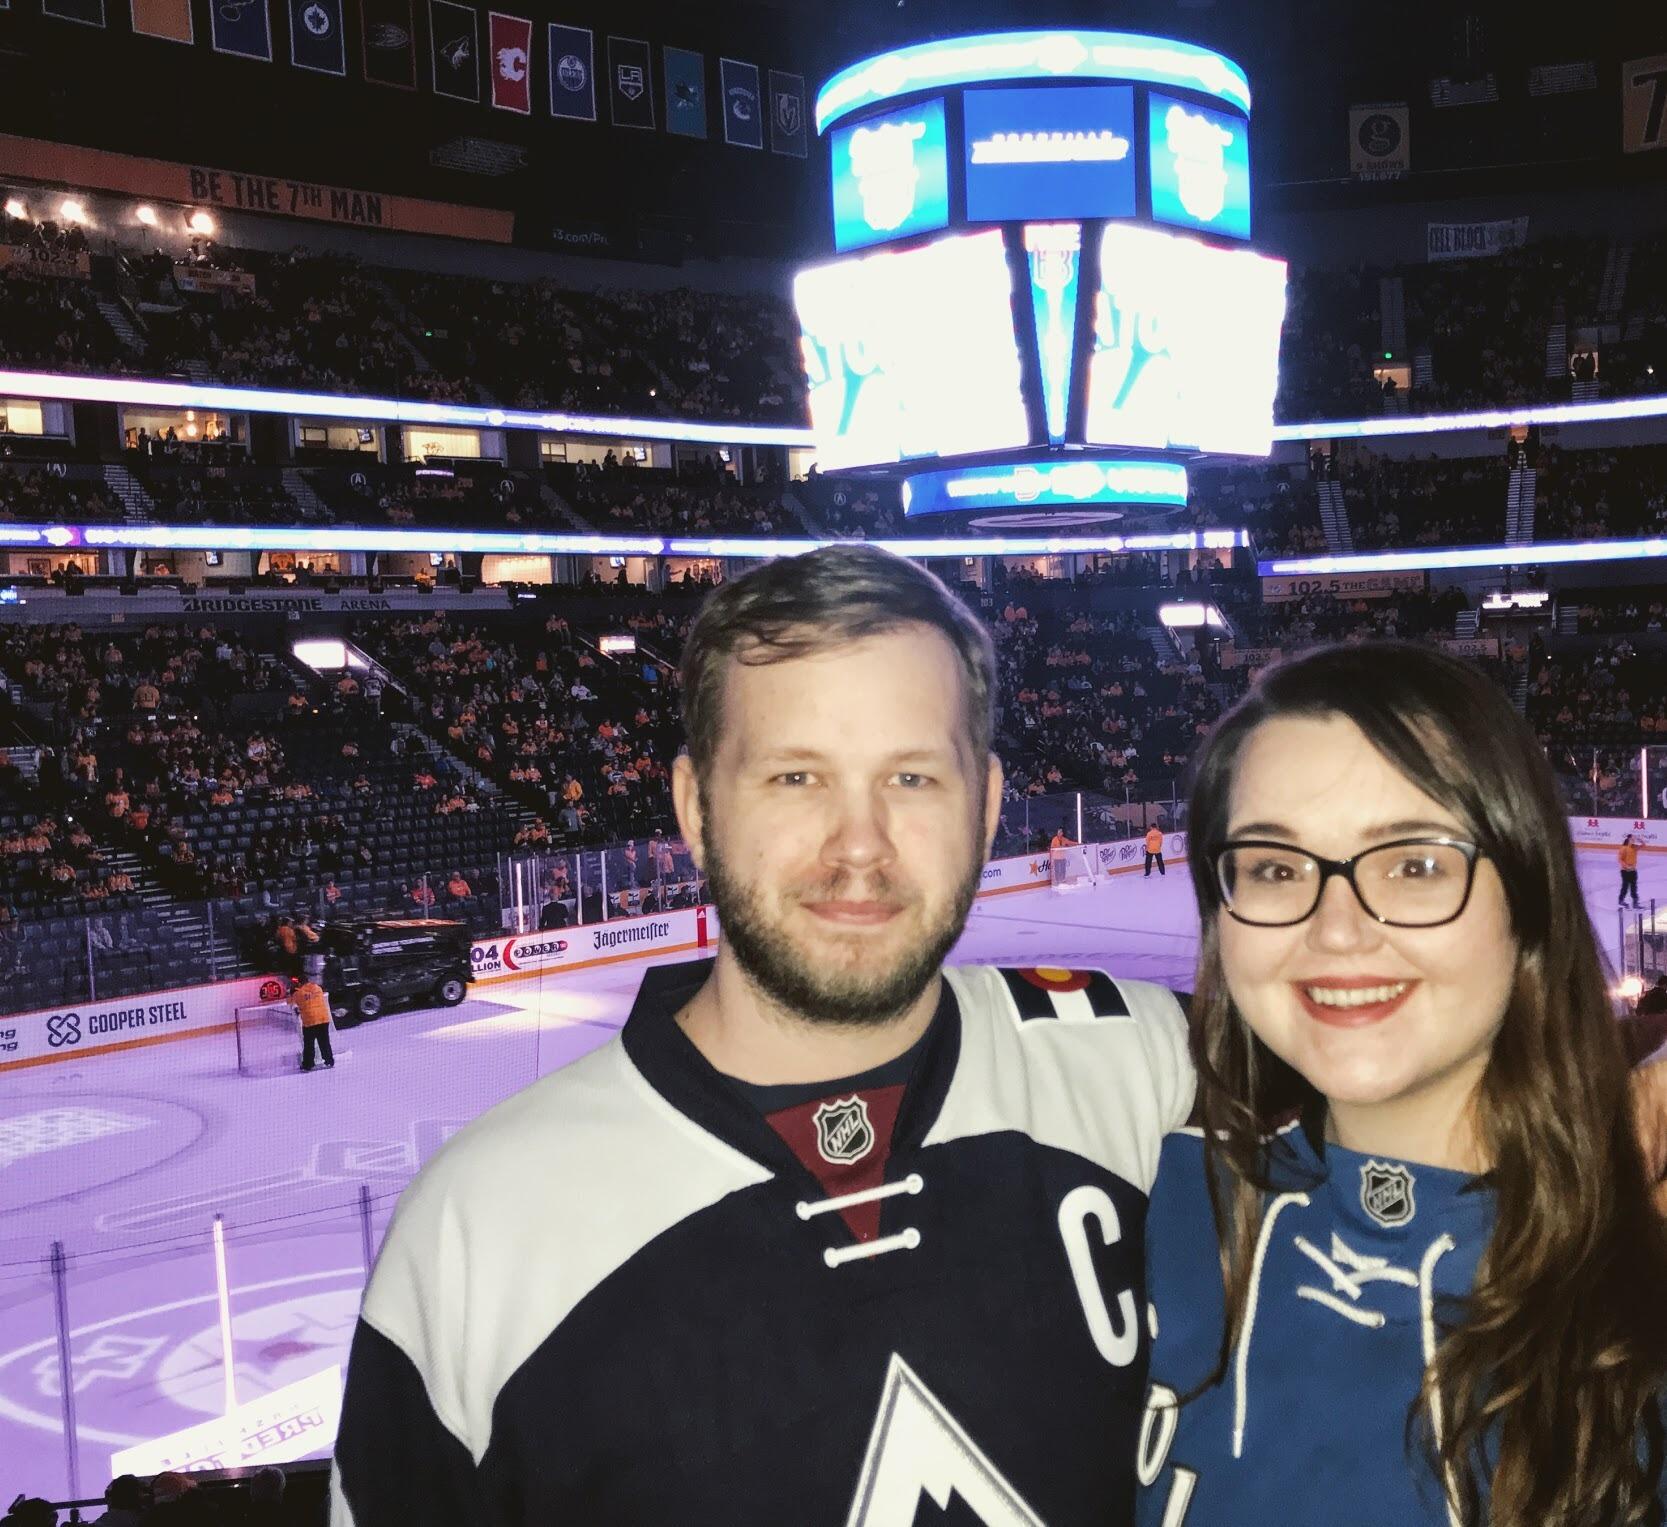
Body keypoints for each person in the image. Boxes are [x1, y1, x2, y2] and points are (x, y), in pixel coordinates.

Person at [332, 545, 1193, 1526]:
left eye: (911, 778)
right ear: (695, 809)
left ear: (988, 807)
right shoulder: (475, 1231)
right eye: (794, 778)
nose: (858, 845)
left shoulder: (1139, 1059)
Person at [1138, 642, 1667, 1527]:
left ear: (1527, 897)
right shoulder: (1144, 1205)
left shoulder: (1640, 1268)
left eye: (1414, 863)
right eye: (1274, 866)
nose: (1335, 929)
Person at [293, 973, 335, 1072]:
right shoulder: (318, 988)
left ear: (299, 983)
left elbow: (293, 1004)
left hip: (310, 1021)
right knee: (324, 1042)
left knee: (309, 1044)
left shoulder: (298, 994)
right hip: (323, 1019)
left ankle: (308, 1065)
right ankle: (329, 1060)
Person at [1621, 832, 1643, 909]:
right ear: (1628, 839)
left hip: (1633, 870)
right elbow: (1620, 859)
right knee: (1625, 886)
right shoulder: (1624, 848)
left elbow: (1643, 846)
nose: (1634, 839)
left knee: (1634, 887)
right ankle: (1621, 901)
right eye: (1632, 838)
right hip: (1625, 871)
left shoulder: (1634, 847)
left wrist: (1641, 841)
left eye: (1634, 838)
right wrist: (1626, 867)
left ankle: (1635, 903)